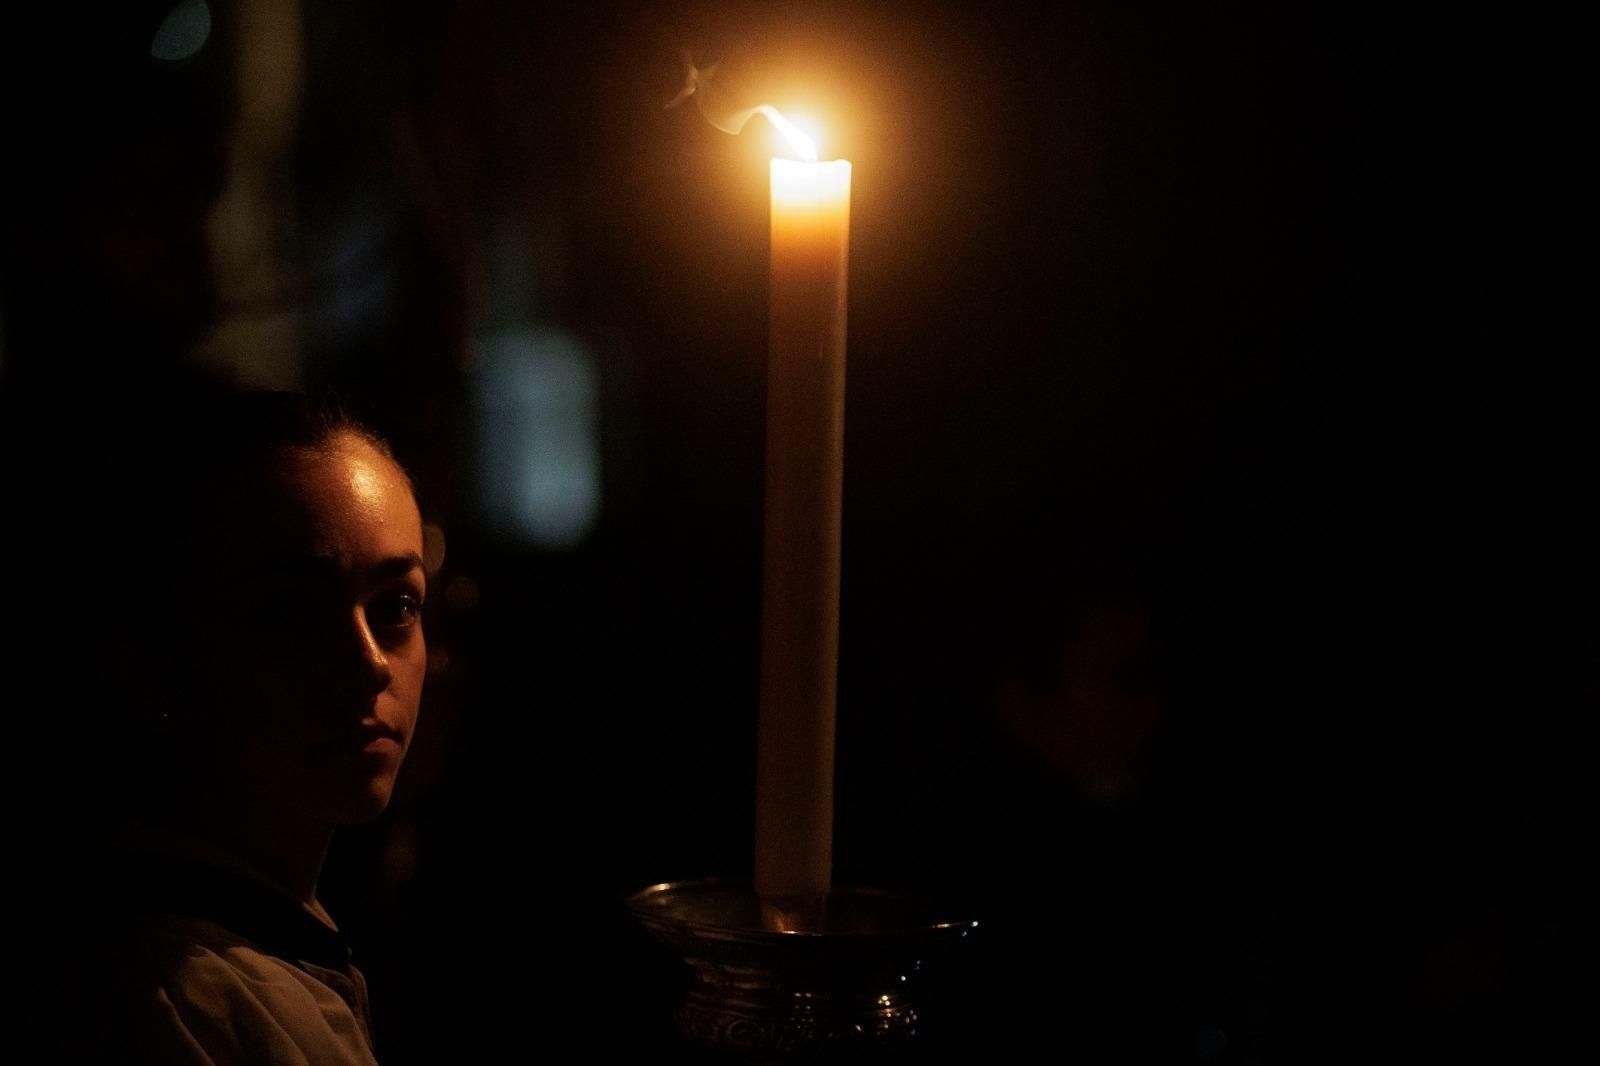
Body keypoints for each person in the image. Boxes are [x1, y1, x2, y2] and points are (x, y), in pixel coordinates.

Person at [33, 389, 427, 1064]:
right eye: (289, 615)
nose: (367, 663)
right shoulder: (174, 1007)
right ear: (147, 662)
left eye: (394, 606)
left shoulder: (276, 942)